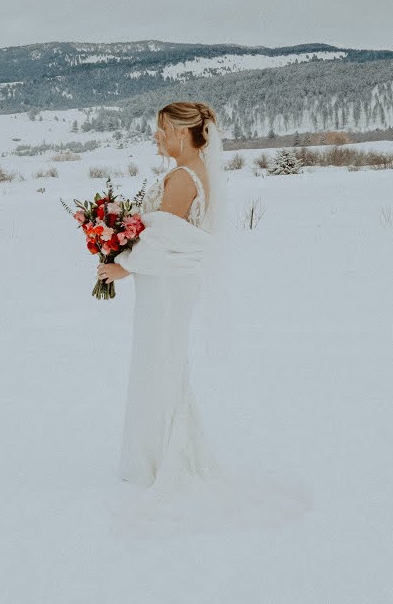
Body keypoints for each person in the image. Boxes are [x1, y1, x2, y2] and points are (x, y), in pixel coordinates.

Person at [96, 102, 309, 538]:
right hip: (169, 284)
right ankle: (151, 453)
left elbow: (166, 240)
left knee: (157, 363)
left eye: (161, 130)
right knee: (162, 362)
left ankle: (155, 459)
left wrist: (122, 264)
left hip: (167, 286)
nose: (156, 137)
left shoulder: (181, 178)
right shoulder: (195, 174)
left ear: (181, 132)